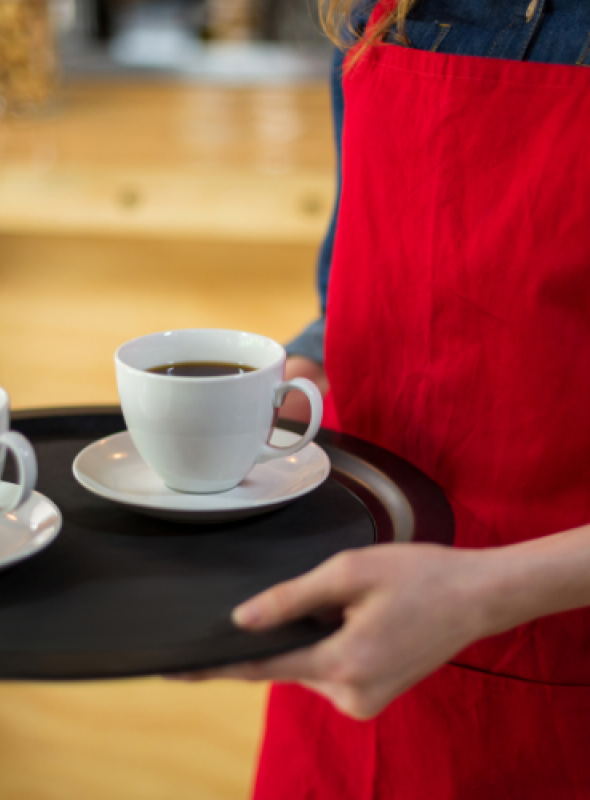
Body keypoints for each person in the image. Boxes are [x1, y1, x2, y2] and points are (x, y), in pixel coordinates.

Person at [177, 0, 590, 796]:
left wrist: (490, 591)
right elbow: (365, 287)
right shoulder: (386, 11)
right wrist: (303, 378)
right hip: (354, 652)